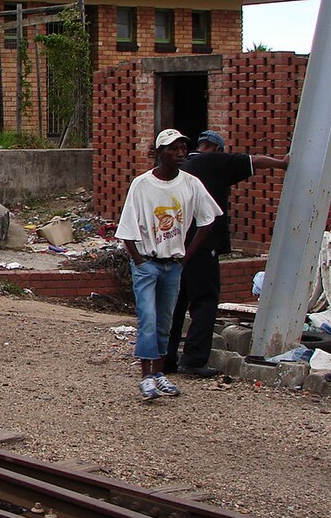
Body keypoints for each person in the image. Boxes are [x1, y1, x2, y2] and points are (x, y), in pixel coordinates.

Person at [166, 130, 289, 377]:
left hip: (175, 244)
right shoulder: (214, 161)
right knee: (205, 300)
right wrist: (283, 163)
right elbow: (255, 161)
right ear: (217, 148)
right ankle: (193, 360)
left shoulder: (181, 167)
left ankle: (166, 359)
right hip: (201, 244)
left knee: (176, 303)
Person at [116, 129, 221, 401]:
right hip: (148, 263)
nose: (181, 153)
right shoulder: (142, 185)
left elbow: (208, 219)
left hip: (173, 264)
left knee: (165, 321)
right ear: (159, 152)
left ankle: (159, 373)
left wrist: (187, 254)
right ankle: (146, 376)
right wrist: (139, 261)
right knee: (148, 319)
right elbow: (126, 229)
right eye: (174, 149)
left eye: (183, 148)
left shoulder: (190, 184)